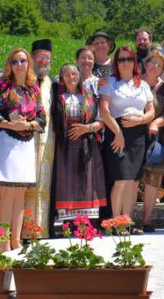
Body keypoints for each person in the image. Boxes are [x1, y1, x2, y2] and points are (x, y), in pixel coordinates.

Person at [0, 48, 46, 250]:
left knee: (20, 193)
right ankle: (2, 242)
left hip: (26, 144)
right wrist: (11, 125)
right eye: (15, 62)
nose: (19, 65)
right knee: (7, 192)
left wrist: (28, 125)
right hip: (6, 142)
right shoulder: (3, 86)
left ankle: (16, 240)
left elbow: (41, 118)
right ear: (9, 65)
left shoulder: (34, 89)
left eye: (23, 61)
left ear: (29, 63)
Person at [100, 45, 155, 222]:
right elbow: (104, 110)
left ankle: (127, 221)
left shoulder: (143, 84)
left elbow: (151, 111)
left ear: (134, 62)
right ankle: (115, 222)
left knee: (133, 181)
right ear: (116, 62)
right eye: (121, 59)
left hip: (139, 135)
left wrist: (140, 120)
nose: (125, 63)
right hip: (117, 133)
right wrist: (118, 133)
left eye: (128, 59)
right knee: (121, 179)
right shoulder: (110, 82)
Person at [53, 64, 106, 223]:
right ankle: (68, 224)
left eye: (74, 74)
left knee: (87, 181)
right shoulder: (57, 97)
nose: (71, 78)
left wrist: (86, 128)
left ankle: (87, 224)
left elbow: (101, 122)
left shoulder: (89, 96)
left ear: (79, 76)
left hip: (86, 144)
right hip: (65, 146)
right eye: (67, 74)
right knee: (66, 182)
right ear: (62, 78)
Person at [24, 39, 55, 238]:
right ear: (32, 57)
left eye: (47, 58)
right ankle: (24, 232)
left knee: (44, 186)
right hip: (25, 141)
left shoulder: (52, 84)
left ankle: (42, 230)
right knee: (26, 186)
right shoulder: (23, 80)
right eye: (40, 57)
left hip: (47, 144)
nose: (43, 61)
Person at [140, 50, 164, 232]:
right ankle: (122, 219)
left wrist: (157, 122)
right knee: (130, 178)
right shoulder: (135, 83)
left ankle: (147, 219)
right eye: (152, 62)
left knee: (152, 179)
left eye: (159, 64)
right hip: (132, 135)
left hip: (156, 136)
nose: (155, 66)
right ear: (145, 63)